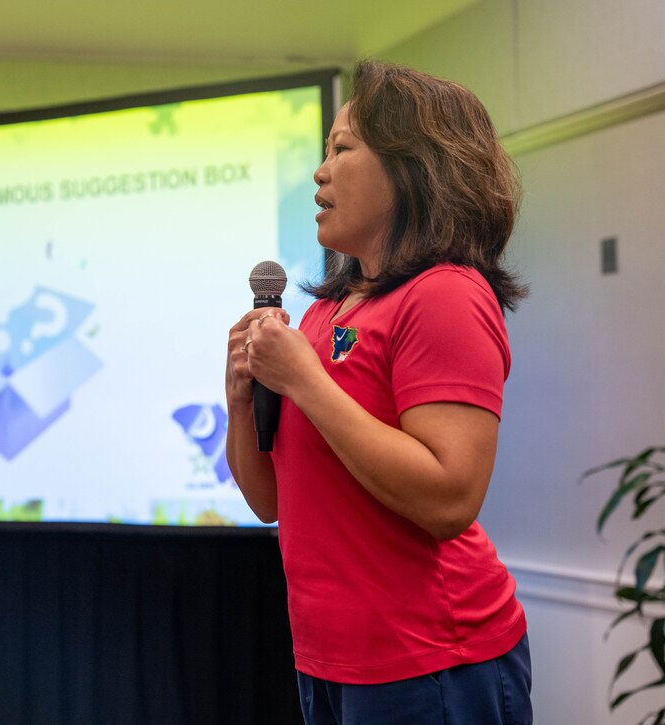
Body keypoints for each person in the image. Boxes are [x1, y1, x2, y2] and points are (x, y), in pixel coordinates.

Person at [224, 59, 532, 725]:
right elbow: (269, 500)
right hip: (328, 659)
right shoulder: (322, 315)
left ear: (412, 167)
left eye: (343, 148)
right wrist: (243, 396)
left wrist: (303, 378)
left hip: (433, 658)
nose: (320, 170)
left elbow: (450, 495)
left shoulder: (445, 293)